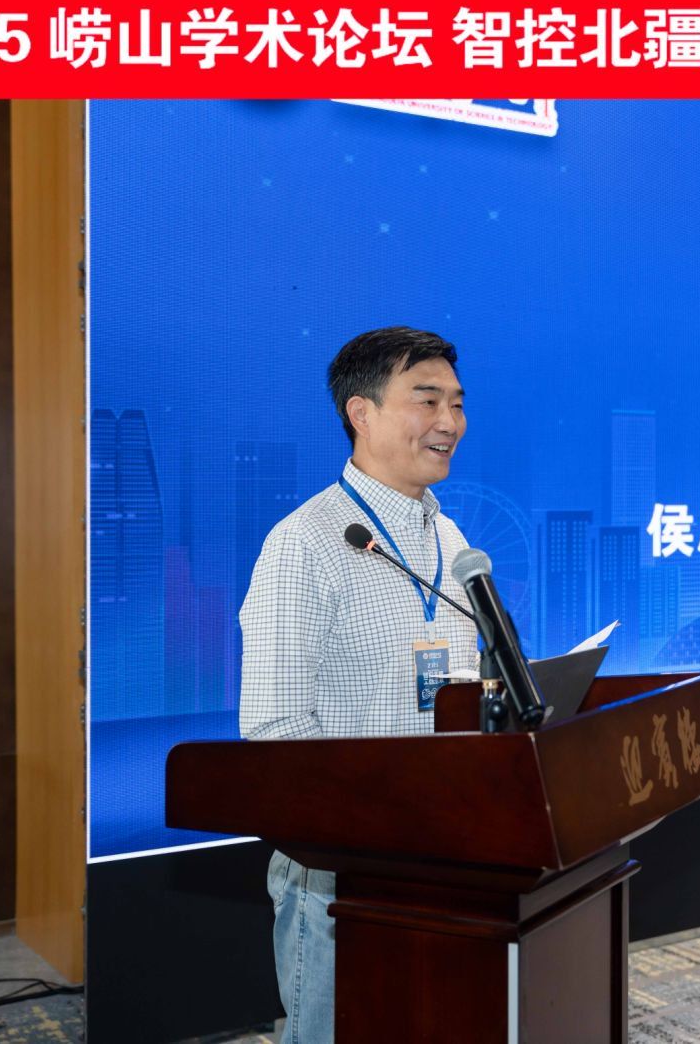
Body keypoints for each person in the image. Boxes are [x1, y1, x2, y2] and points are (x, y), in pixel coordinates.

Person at [237, 325, 479, 1043]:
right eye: (426, 400)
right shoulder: (305, 542)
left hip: (447, 853)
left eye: (457, 403)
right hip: (342, 877)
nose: (449, 421)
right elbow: (276, 729)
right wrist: (376, 823)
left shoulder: (450, 540)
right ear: (361, 413)